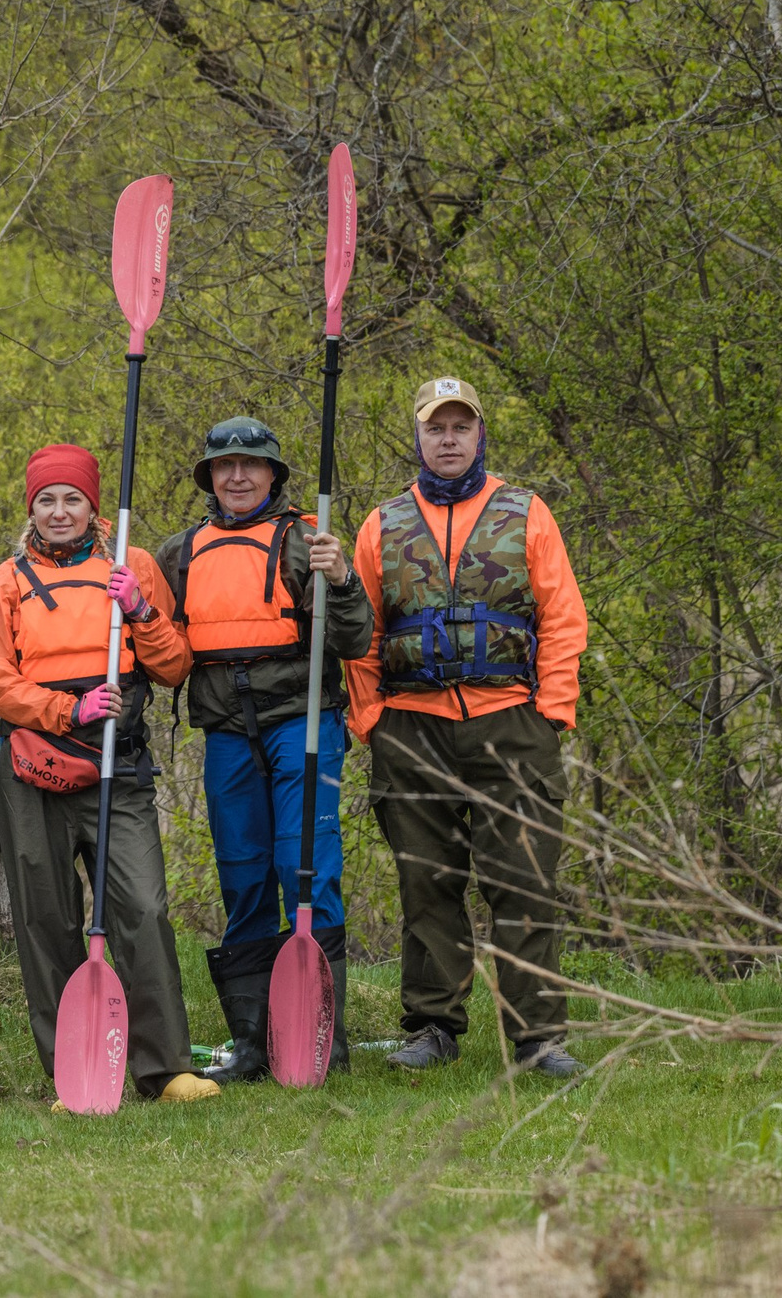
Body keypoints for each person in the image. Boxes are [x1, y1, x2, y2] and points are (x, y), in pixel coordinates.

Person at [345, 378, 590, 1078]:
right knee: (427, 882)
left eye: (460, 426)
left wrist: (553, 709)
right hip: (411, 727)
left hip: (511, 721)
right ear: (418, 437)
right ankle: (433, 1026)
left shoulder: (527, 512)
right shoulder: (382, 523)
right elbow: (361, 631)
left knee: (524, 881)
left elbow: (562, 616)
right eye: (436, 427)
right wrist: (371, 718)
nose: (448, 438)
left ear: (479, 434)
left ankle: (538, 1038)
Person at [0, 443, 221, 1106]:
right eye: (46, 500)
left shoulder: (131, 565)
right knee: (46, 916)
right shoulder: (6, 581)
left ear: (93, 506)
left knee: (143, 907)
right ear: (31, 509)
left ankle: (164, 1067)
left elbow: (174, 665)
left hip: (118, 759)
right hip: (33, 767)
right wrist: (67, 709)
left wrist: (140, 611)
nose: (60, 512)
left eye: (73, 499)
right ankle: (72, 1071)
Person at [156, 418, 372, 1083]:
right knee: (244, 877)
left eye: (251, 464)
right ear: (210, 476)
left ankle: (322, 1037)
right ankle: (252, 1042)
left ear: (273, 474)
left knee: (306, 868)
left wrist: (342, 581)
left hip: (301, 723)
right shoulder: (180, 552)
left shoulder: (309, 541)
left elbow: (355, 640)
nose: (238, 476)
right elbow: (160, 647)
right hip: (226, 732)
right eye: (225, 466)